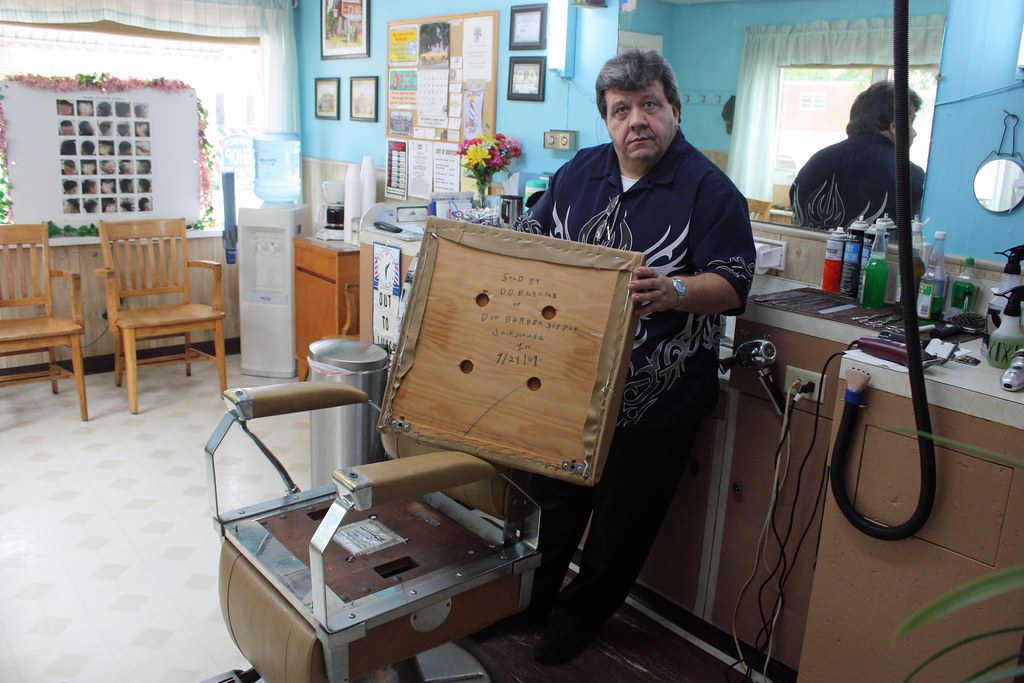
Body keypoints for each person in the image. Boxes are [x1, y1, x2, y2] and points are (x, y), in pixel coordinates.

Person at [510, 48, 755, 665]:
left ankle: (579, 618)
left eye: (650, 105)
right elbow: (536, 244)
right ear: (606, 119)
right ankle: (530, 602)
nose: (636, 121)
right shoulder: (578, 173)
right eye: (621, 110)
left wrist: (675, 289)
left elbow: (732, 286)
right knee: (550, 502)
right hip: (566, 383)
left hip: (656, 397)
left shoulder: (711, 191)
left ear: (673, 110)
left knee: (621, 522)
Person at [790, 81, 924, 229]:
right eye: (911, 124)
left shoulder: (816, 162)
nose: (915, 133)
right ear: (895, 127)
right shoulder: (909, 174)